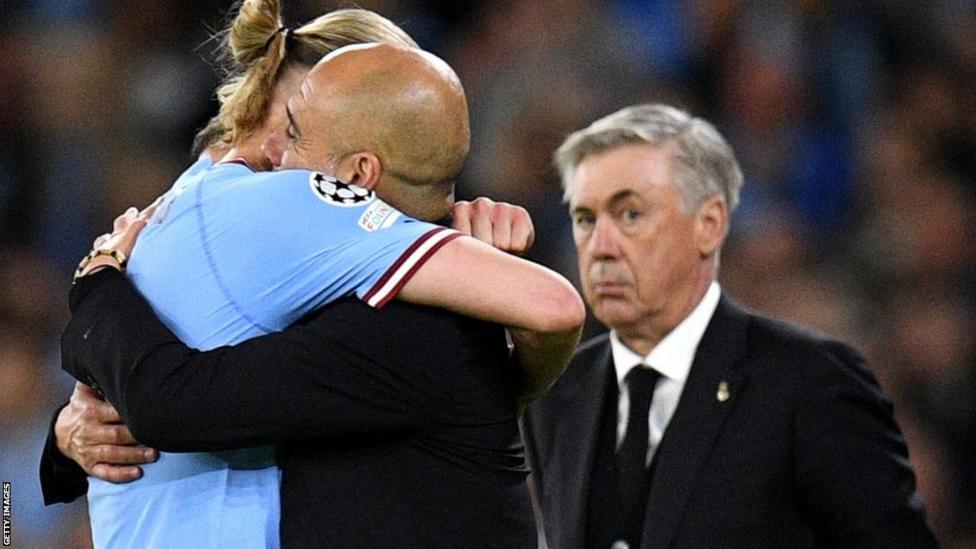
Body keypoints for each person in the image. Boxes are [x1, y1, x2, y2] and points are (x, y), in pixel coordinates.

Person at [43, 5, 584, 549]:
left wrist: (95, 290)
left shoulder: (197, 208)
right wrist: (69, 428)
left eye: (297, 133)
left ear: (360, 169)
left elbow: (169, 398)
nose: (275, 154)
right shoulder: (268, 214)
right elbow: (173, 395)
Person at [520, 103, 939, 549]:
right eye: (585, 219)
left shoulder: (810, 381)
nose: (600, 247)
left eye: (630, 215)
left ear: (709, 224)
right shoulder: (559, 395)